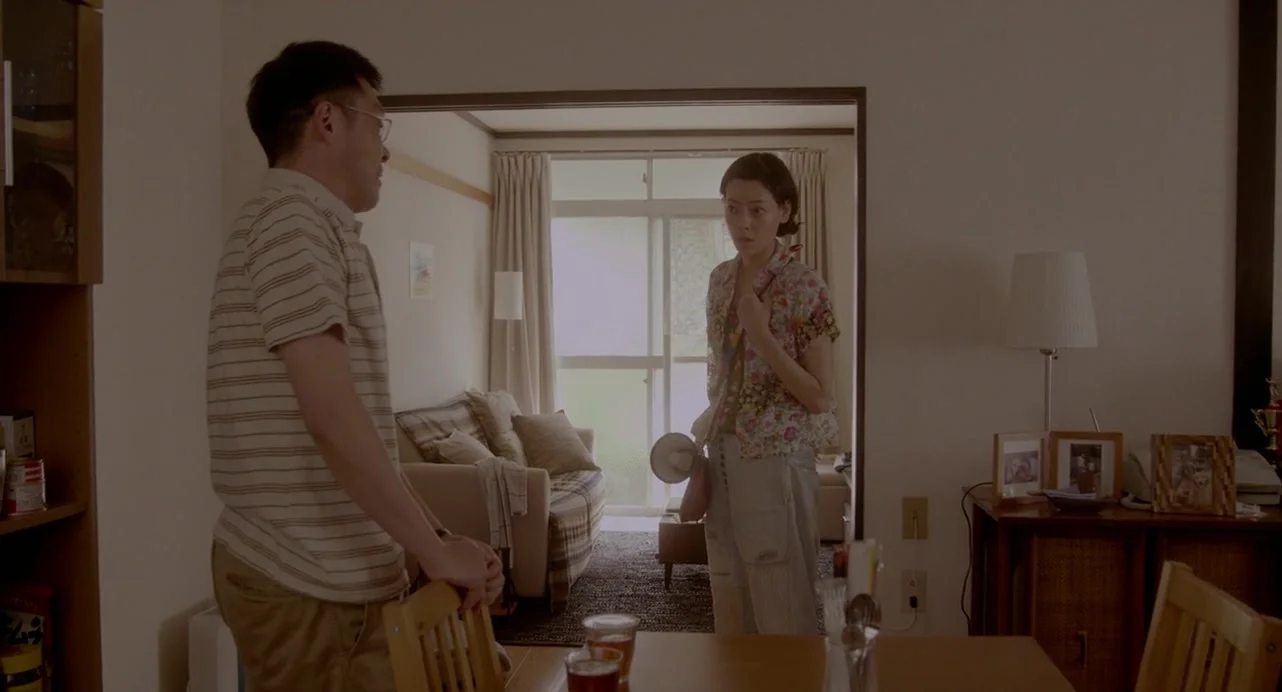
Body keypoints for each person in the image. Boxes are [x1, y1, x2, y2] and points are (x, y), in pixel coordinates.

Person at [206, 41, 503, 691]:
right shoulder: (291, 223)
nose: (386, 150)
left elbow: (359, 432)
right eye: (378, 122)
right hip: (303, 574)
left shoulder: (315, 227)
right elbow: (333, 419)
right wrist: (433, 550)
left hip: (335, 576)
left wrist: (439, 539)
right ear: (327, 120)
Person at [690, 152, 840, 635]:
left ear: (784, 210)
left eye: (757, 209)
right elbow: (723, 372)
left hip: (778, 454)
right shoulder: (720, 280)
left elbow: (821, 398)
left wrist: (762, 334)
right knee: (728, 589)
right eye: (732, 208)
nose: (743, 223)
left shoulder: (804, 286)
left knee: (781, 596)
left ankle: (790, 675)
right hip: (723, 449)